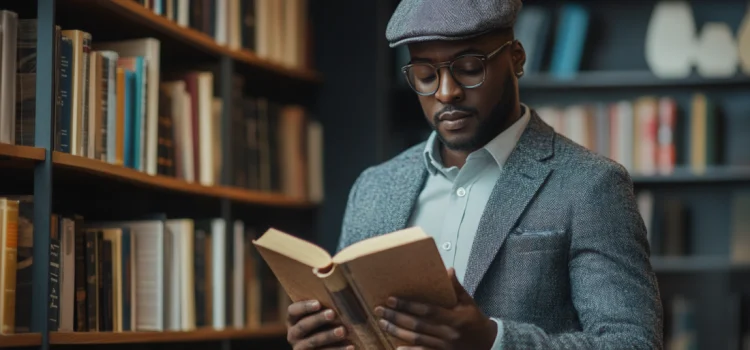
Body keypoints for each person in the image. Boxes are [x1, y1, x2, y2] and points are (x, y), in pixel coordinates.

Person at [285, 0, 664, 349]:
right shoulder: (374, 187)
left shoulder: (591, 185)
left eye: (469, 68)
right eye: (425, 74)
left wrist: (493, 340)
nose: (447, 92)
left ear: (516, 58)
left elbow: (632, 342)